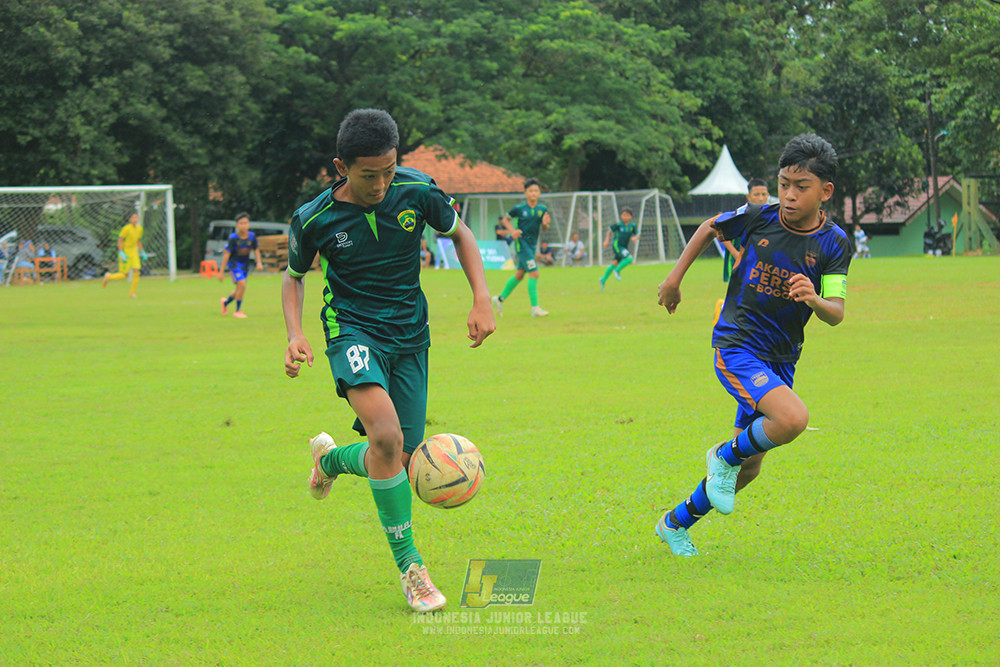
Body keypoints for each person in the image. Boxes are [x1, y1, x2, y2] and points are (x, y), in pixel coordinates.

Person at [282, 108, 495, 613]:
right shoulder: (315, 217)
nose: (380, 184)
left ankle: (330, 460)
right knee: (385, 436)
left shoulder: (418, 190)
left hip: (410, 335)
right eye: (367, 175)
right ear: (341, 167)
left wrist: (482, 298)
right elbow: (294, 276)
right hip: (352, 329)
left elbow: (461, 234)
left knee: (396, 461)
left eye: (388, 170)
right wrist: (295, 334)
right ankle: (413, 570)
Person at [654, 133, 851, 557]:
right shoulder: (760, 217)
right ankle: (721, 456)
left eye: (801, 187)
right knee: (793, 418)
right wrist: (674, 279)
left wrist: (815, 298)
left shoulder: (834, 243)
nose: (789, 195)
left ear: (825, 191)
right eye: (784, 184)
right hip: (738, 344)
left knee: (751, 465)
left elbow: (836, 310)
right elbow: (710, 227)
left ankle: (674, 523)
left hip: (781, 357)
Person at [491, 178, 551, 317]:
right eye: (531, 191)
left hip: (532, 244)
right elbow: (506, 220)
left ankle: (499, 299)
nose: (533, 193)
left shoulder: (542, 209)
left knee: (519, 275)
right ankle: (535, 308)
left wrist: (545, 224)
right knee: (534, 273)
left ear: (539, 193)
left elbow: (545, 228)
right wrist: (513, 231)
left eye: (536, 191)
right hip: (522, 244)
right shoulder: (519, 208)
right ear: (526, 193)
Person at [715, 178, 771, 320]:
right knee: (738, 290)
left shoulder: (771, 216)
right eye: (757, 194)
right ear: (749, 197)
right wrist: (736, 254)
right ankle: (724, 311)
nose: (761, 198)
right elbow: (720, 231)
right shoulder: (742, 214)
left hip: (758, 261)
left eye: (764, 194)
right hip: (738, 259)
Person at [218, 212, 263, 318]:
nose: (243, 225)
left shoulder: (252, 237)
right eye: (241, 223)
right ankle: (237, 311)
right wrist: (221, 272)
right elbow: (226, 255)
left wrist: (259, 262)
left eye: (245, 223)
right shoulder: (233, 238)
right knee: (242, 284)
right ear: (237, 225)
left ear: (249, 224)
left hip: (244, 266)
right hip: (234, 265)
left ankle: (225, 303)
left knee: (239, 289)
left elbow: (256, 250)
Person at [102, 212, 145, 296]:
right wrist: (121, 252)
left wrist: (142, 251)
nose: (135, 219)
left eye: (136, 217)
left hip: (134, 252)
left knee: (137, 271)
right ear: (130, 220)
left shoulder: (140, 229)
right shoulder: (126, 228)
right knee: (125, 275)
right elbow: (120, 240)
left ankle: (132, 293)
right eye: (133, 217)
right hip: (126, 252)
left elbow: (138, 240)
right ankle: (109, 276)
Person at [599, 207, 639, 290]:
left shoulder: (632, 226)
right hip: (617, 246)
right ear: (621, 216)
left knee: (614, 263)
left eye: (627, 215)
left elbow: (638, 234)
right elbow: (609, 230)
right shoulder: (618, 225)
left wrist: (635, 238)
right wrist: (606, 241)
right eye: (623, 215)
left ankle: (603, 279)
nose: (625, 217)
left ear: (631, 217)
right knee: (630, 258)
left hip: (624, 247)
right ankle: (617, 271)